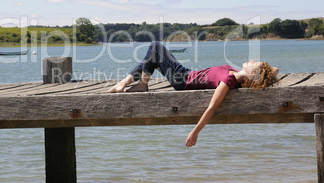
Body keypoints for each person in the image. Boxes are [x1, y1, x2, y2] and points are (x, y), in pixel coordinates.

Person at [106, 41, 279, 147]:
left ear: (253, 75)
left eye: (255, 64)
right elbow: (275, 71)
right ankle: (123, 84)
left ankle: (142, 84)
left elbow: (211, 107)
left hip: (183, 80)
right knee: (152, 57)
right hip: (186, 74)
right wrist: (265, 72)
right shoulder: (234, 74)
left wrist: (195, 132)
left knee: (155, 47)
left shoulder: (228, 81)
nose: (253, 60)